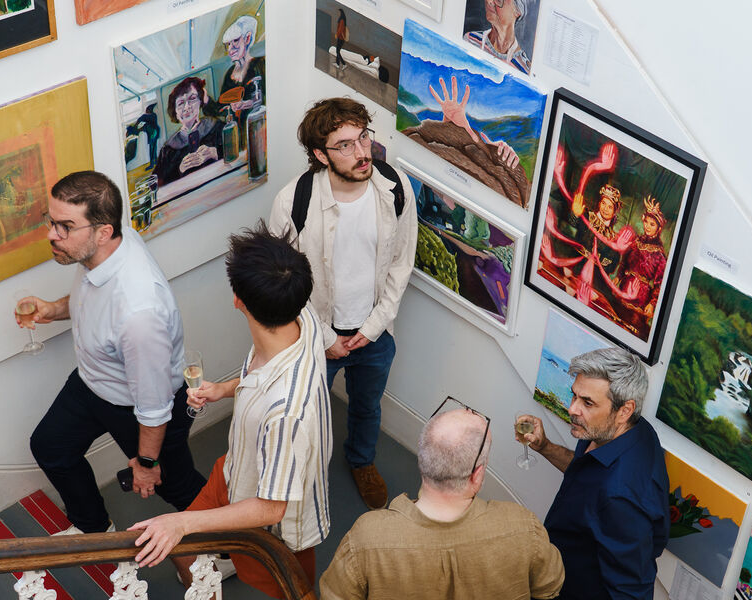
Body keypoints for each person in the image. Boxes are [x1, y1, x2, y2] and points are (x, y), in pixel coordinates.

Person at [128, 223, 332, 600]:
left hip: (272, 528)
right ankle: (209, 579)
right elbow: (266, 374)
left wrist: (182, 521)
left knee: (295, 593)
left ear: (238, 300)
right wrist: (224, 389)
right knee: (181, 551)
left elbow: (271, 507)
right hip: (234, 471)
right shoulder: (303, 320)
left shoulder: (286, 414)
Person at [21, 171, 206, 535]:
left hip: (139, 408)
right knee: (51, 446)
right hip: (92, 384)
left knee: (177, 486)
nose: (51, 235)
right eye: (51, 221)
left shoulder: (140, 314)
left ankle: (230, 548)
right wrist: (53, 309)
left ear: (102, 232)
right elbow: (93, 299)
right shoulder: (106, 249)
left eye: (64, 227)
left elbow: (153, 405)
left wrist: (147, 461)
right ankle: (93, 529)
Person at [269, 97, 417, 510]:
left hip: (375, 334)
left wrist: (372, 328)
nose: (361, 152)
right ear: (320, 154)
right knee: (304, 414)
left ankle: (361, 462)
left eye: (363, 138)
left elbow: (402, 264)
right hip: (316, 338)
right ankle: (301, 479)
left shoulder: (394, 188)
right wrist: (326, 336)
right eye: (345, 145)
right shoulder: (292, 202)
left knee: (368, 408)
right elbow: (283, 285)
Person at [320, 399, 565, 599]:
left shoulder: (366, 539)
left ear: (423, 458)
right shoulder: (523, 527)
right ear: (477, 476)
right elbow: (549, 588)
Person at [516, 347, 670, 600]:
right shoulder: (623, 430)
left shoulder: (622, 499)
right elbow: (585, 472)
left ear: (624, 410)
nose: (572, 409)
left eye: (587, 403)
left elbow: (631, 592)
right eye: (574, 395)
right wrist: (545, 447)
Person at [203, 14, 265, 151]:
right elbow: (222, 109)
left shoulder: (260, 67)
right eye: (228, 45)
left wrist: (247, 104)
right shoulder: (229, 75)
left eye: (235, 41)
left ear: (248, 38)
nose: (230, 49)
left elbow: (269, 100)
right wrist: (206, 100)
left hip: (260, 132)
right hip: (239, 140)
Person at [153, 76, 225, 186]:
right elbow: (158, 183)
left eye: (192, 99)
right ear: (175, 111)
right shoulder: (168, 149)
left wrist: (216, 153)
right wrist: (180, 169)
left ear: (200, 102)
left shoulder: (216, 126)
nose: (187, 107)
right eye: (181, 103)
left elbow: (239, 149)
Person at [464, 0, 531, 74]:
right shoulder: (471, 40)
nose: (489, 1)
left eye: (499, 0)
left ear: (518, 11)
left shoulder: (524, 70)